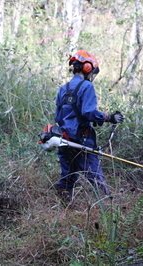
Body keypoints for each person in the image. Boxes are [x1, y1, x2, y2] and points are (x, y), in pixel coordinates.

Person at [54, 50, 124, 205]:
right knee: (95, 177)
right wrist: (109, 117)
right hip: (82, 141)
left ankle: (65, 209)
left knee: (67, 178)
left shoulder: (63, 89)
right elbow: (88, 112)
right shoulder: (87, 86)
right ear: (87, 68)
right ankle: (108, 208)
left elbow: (57, 118)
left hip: (64, 140)